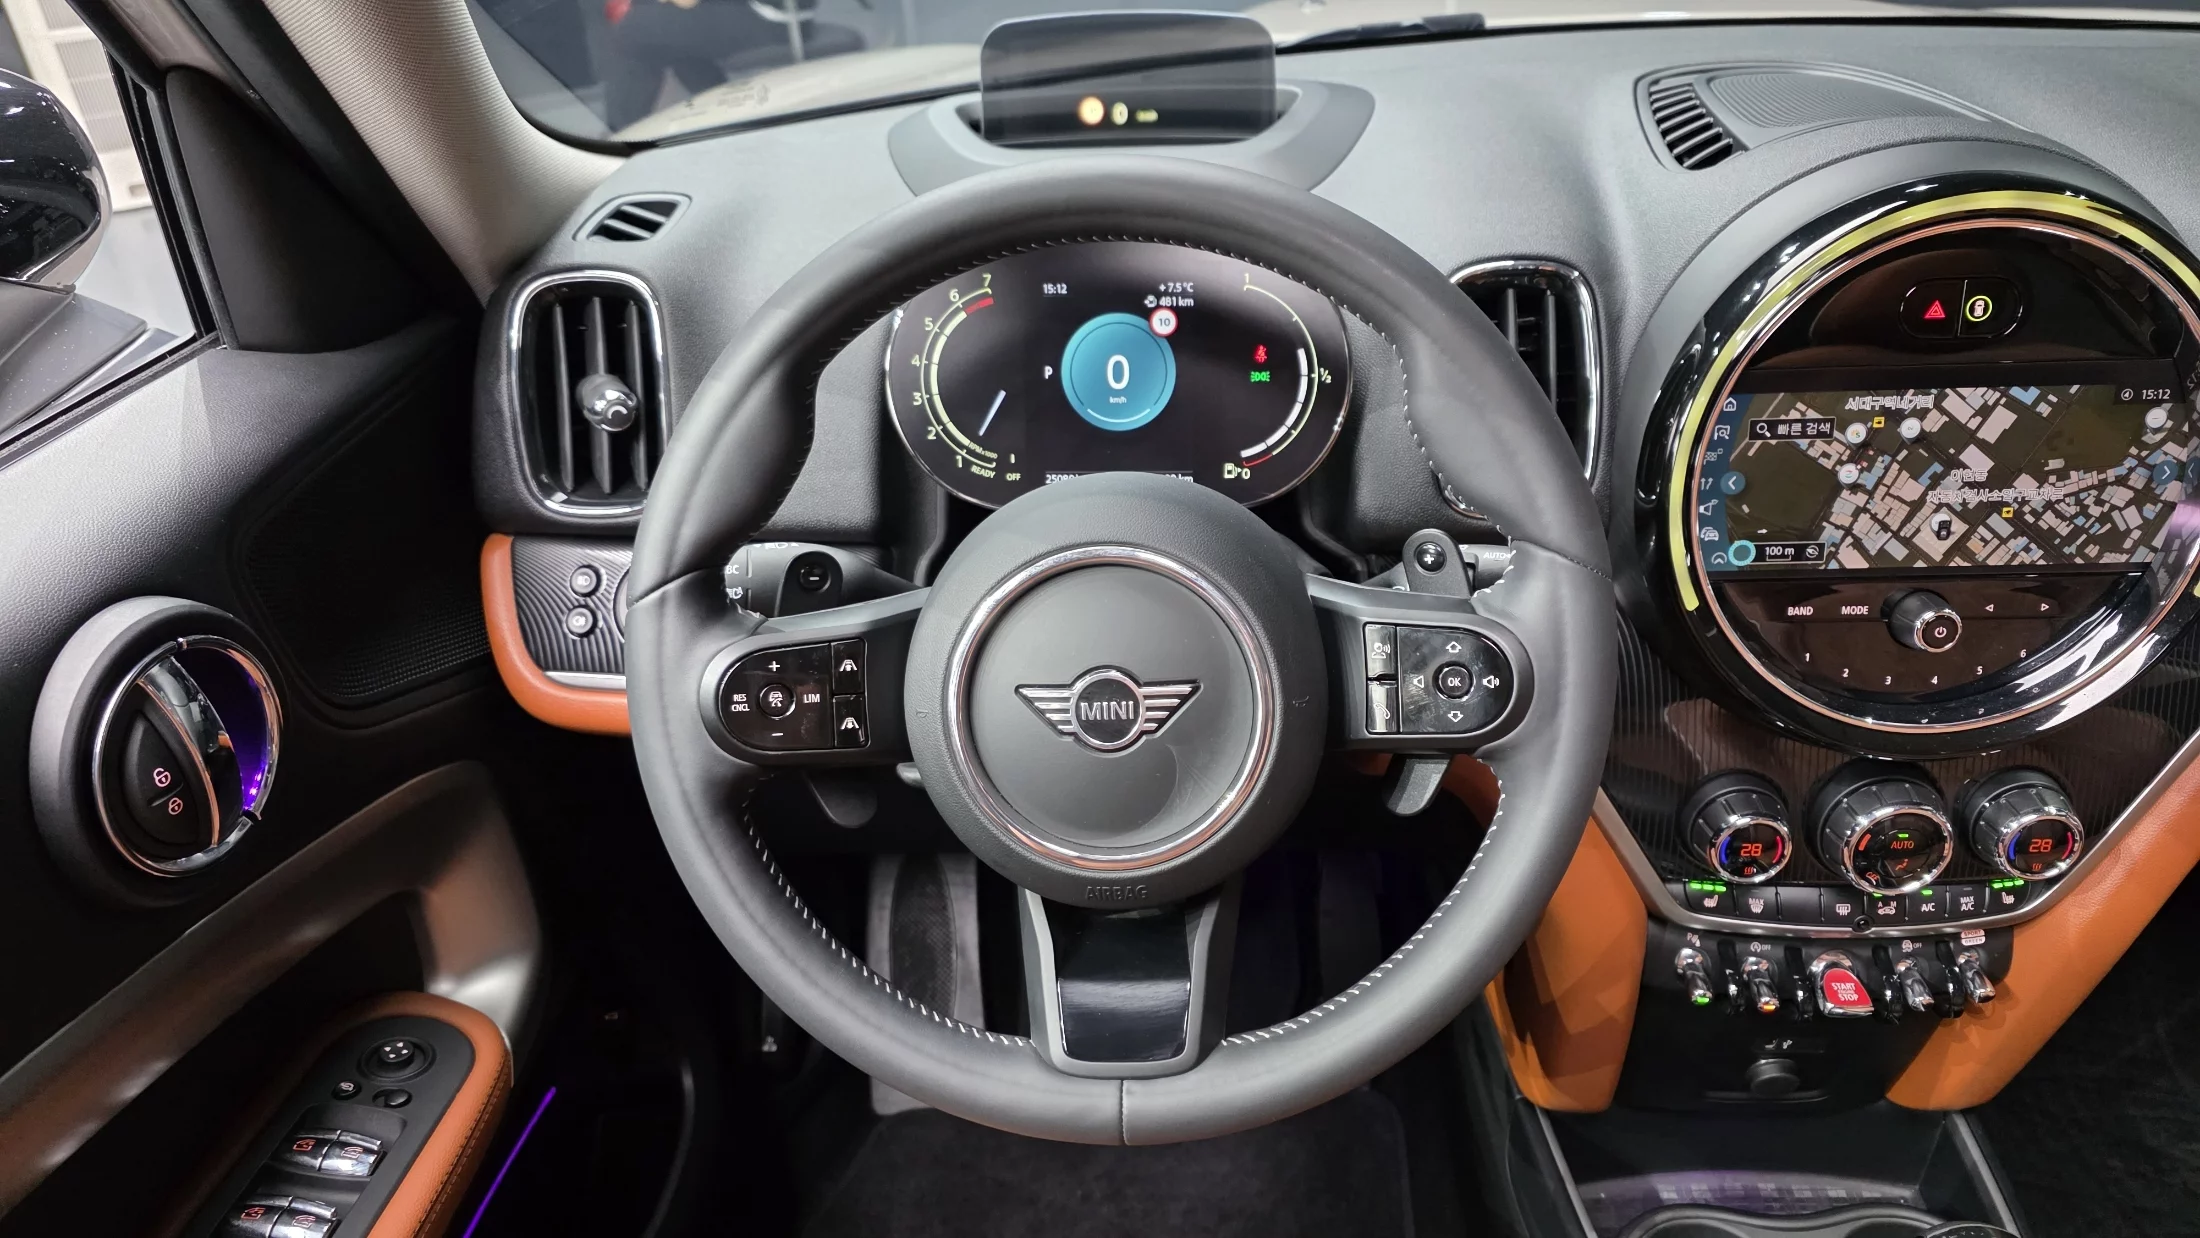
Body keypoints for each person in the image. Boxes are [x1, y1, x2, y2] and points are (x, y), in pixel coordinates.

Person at [604, 0, 817, 130]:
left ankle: (623, 133)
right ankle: (726, 113)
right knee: (670, 38)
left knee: (632, 30)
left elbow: (686, 2)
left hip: (768, 19)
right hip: (791, 16)